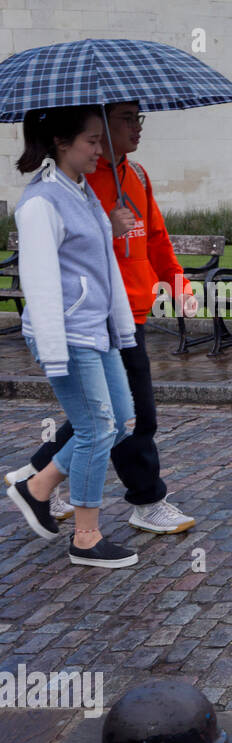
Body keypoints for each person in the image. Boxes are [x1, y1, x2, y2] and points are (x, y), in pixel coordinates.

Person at [6, 100, 197, 536]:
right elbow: (58, 267)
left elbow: (155, 238)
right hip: (91, 322)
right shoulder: (70, 183)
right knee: (129, 418)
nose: (137, 127)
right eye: (125, 119)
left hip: (125, 316)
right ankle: (141, 503)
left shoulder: (134, 175)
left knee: (108, 416)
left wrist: (177, 281)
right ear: (93, 131)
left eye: (138, 118)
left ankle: (36, 477)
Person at [7, 106, 140, 568]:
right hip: (67, 334)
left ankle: (37, 486)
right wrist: (54, 351)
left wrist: (112, 228)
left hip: (95, 331)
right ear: (62, 143)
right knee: (97, 428)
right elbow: (41, 281)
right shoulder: (42, 201)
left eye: (100, 142)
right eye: (91, 141)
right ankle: (86, 537)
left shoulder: (81, 192)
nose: (100, 150)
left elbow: (94, 265)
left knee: (122, 421)